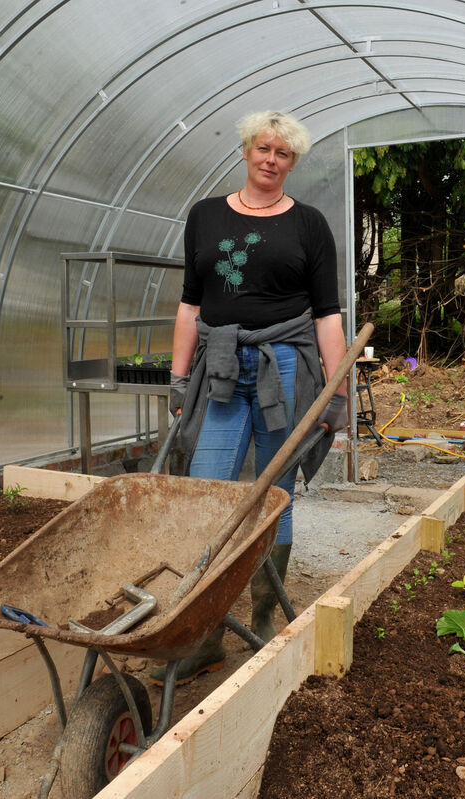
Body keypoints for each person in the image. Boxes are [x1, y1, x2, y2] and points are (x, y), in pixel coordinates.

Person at [158, 110, 350, 685]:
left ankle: (264, 617)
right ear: (245, 151)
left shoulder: (310, 225)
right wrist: (178, 376)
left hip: (285, 366)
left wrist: (335, 394)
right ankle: (208, 638)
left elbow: (328, 315)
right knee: (213, 496)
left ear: (292, 163)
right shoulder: (205, 216)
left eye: (283, 154)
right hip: (219, 367)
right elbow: (191, 305)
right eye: (263, 148)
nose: (271, 160)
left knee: (274, 494)